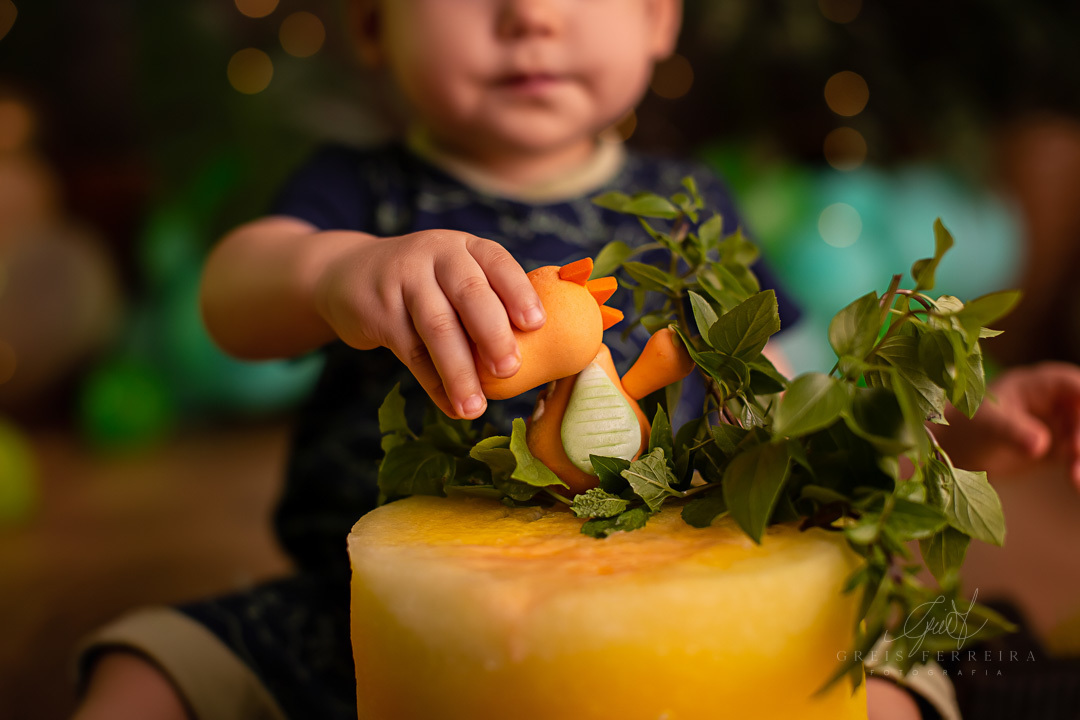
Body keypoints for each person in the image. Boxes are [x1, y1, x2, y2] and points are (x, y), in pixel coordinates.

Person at [72, 2, 1080, 719]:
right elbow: (231, 300)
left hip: (672, 619)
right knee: (144, 672)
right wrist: (334, 271)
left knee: (889, 664)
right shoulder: (362, 195)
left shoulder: (692, 209)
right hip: (376, 627)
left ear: (658, 18)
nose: (531, 16)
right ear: (373, 25)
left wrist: (949, 424)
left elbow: (792, 395)